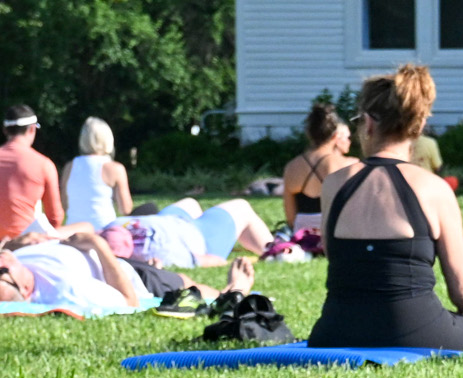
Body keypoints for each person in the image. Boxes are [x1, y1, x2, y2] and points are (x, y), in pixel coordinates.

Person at [307, 64, 463, 351]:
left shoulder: (334, 185)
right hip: (415, 331)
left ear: (368, 123)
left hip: (335, 332)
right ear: (418, 127)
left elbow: (341, 261)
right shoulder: (433, 188)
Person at [0, 228, 254, 310]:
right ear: (24, 288)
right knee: (185, 283)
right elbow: (128, 301)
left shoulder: (15, 258)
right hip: (133, 276)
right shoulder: (66, 290)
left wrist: (14, 242)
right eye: (2, 271)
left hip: (112, 260)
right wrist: (98, 245)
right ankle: (232, 293)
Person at [114, 197, 271, 268]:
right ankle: (276, 252)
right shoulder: (162, 252)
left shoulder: (113, 228)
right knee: (242, 207)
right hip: (200, 237)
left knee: (190, 203)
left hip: (171, 221)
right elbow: (208, 260)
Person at [281, 103, 352, 234]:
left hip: (303, 234)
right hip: (335, 233)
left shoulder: (291, 167)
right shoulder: (348, 165)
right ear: (335, 136)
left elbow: (291, 217)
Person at [0, 105, 63, 239]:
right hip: (25, 242)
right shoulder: (43, 164)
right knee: (85, 226)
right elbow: (55, 218)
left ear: (5, 130)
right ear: (32, 129)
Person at [64, 117, 133, 231]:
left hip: (73, 233)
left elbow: (65, 205)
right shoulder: (114, 168)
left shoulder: (69, 167)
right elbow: (125, 209)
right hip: (103, 231)